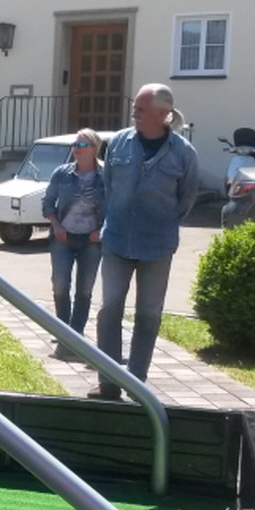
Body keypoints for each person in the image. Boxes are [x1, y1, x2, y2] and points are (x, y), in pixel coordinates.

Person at [88, 84, 200, 401]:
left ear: (163, 114)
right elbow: (108, 185)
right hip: (117, 241)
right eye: (135, 107)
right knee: (109, 309)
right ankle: (108, 383)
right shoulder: (118, 143)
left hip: (157, 246)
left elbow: (186, 200)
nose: (133, 112)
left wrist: (160, 225)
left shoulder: (183, 153)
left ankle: (137, 382)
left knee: (148, 314)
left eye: (141, 108)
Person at [42, 128, 105, 360]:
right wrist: (56, 225)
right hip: (64, 238)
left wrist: (101, 230)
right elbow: (48, 203)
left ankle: (75, 334)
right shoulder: (62, 173)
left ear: (94, 149)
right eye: (75, 145)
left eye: (81, 145)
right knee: (60, 285)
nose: (76, 149)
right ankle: (63, 331)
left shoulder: (106, 175)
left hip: (92, 240)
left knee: (84, 289)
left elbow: (117, 207)